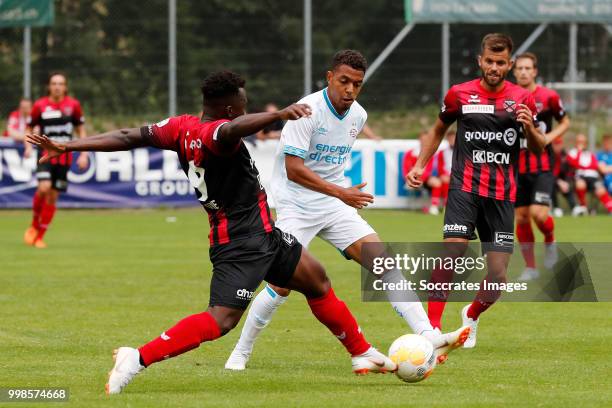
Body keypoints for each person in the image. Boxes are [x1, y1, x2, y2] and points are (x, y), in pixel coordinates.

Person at [27, 71, 397, 395]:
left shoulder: (180, 127)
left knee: (315, 280)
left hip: (263, 235)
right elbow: (232, 129)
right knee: (221, 320)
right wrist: (278, 115)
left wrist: (68, 145)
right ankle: (136, 357)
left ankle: (361, 352)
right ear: (232, 108)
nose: (245, 107)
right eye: (244, 103)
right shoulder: (217, 135)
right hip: (239, 243)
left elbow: (127, 136)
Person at [225, 50, 469, 372]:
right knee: (281, 285)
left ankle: (428, 334)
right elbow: (294, 169)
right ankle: (240, 353)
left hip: (333, 203)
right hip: (295, 206)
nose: (350, 90)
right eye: (344, 82)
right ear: (329, 78)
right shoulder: (306, 112)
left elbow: (330, 169)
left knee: (382, 262)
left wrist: (339, 194)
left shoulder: (358, 116)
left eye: (357, 84)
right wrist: (341, 191)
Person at [406, 33, 546, 348]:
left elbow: (538, 149)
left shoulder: (523, 99)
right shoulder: (459, 94)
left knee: (497, 278)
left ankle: (471, 314)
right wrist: (420, 165)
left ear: (509, 64)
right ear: (480, 60)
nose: (494, 67)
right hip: (464, 188)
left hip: (501, 196)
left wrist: (530, 128)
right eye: (489, 61)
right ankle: (432, 330)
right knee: (452, 252)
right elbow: (440, 127)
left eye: (501, 63)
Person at [512, 52, 571, 281]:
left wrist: (549, 137)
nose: (524, 72)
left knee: (538, 214)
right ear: (514, 71)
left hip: (542, 167)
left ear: (535, 71)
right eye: (520, 68)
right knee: (522, 218)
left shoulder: (549, 97)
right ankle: (531, 268)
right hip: (516, 169)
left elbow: (565, 121)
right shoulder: (508, 97)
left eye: (528, 68)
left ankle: (550, 239)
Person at [23, 73, 89, 248]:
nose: (57, 86)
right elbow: (29, 126)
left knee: (52, 196)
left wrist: (84, 153)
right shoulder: (40, 105)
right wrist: (28, 146)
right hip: (45, 153)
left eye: (61, 83)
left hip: (64, 155)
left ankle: (39, 236)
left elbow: (81, 129)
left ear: (65, 87)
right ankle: (34, 224)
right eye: (54, 83)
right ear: (49, 86)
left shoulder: (73, 105)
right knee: (43, 188)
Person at [402, 131, 449, 215]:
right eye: (422, 139)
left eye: (426, 139)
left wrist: (422, 179)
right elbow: (405, 169)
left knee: (437, 182)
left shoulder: (429, 153)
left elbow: (428, 170)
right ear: (419, 139)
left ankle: (434, 207)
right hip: (412, 179)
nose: (424, 141)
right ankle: (417, 208)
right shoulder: (410, 153)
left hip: (424, 179)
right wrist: (411, 179)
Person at [567, 133, 612, 214]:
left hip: (592, 177)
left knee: (600, 189)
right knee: (580, 184)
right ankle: (584, 207)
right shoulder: (573, 152)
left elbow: (594, 165)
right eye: (579, 142)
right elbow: (574, 164)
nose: (581, 144)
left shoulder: (589, 154)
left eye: (583, 142)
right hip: (580, 176)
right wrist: (579, 152)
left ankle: (610, 208)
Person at [551, 136, 578, 216]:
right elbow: (549, 173)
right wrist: (559, 182)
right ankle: (556, 208)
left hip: (563, 180)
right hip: (552, 180)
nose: (557, 147)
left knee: (568, 186)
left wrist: (565, 182)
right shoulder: (549, 156)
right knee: (552, 185)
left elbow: (570, 170)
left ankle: (574, 207)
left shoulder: (565, 155)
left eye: (559, 144)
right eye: (555, 144)